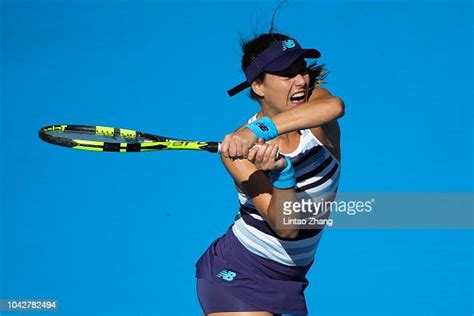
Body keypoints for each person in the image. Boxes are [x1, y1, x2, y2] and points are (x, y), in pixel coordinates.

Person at [195, 32, 344, 316]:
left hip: (292, 280)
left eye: (301, 69)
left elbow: (335, 106)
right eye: (286, 74)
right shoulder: (236, 154)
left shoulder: (318, 112)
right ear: (258, 86)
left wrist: (257, 131)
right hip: (239, 274)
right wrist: (283, 174)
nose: (301, 80)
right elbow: (286, 228)